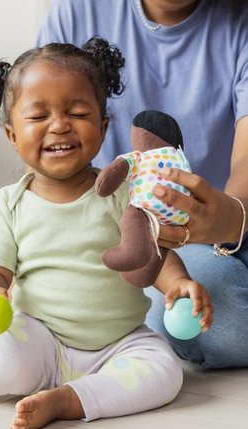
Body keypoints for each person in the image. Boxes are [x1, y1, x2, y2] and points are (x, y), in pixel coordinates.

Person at [0, 37, 212, 429]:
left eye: (77, 112)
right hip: (39, 338)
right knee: (4, 357)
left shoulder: (124, 195)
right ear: (13, 136)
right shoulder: (9, 205)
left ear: (102, 128)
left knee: (165, 373)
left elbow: (154, 256)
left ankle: (73, 399)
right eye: (38, 117)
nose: (60, 124)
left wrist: (179, 283)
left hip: (120, 341)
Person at [33, 0, 248, 369]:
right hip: (144, 240)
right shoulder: (75, 12)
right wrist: (15, 299)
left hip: (230, 224)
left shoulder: (238, 21)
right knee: (219, 320)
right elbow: (42, 149)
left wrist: (234, 216)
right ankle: (136, 306)